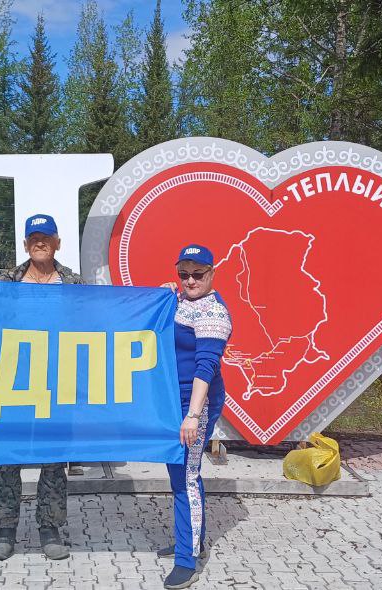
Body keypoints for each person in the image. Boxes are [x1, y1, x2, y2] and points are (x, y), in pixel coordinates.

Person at [0, 213, 81, 561]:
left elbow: (96, 322)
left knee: (53, 458)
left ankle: (50, 528)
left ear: (58, 243)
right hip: (12, 380)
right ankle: (5, 529)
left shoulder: (74, 284)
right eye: (34, 238)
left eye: (47, 237)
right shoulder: (6, 282)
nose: (40, 243)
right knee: (7, 457)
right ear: (26, 245)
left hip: (57, 382)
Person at [158, 244, 232, 589]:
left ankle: (187, 560)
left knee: (186, 477)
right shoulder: (183, 300)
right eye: (183, 274)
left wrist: (193, 415)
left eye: (197, 274)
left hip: (195, 401)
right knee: (179, 473)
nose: (189, 280)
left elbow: (206, 367)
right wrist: (161, 298)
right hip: (174, 398)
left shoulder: (214, 312)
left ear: (212, 273)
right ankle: (191, 539)